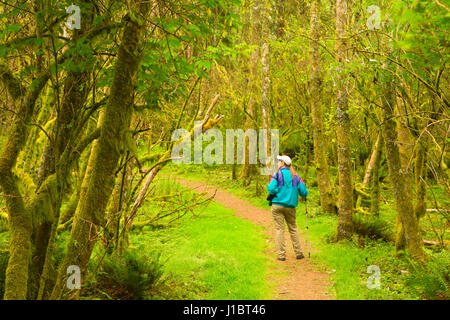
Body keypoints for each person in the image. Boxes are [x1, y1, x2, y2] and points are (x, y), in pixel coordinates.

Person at [267, 155, 308, 261]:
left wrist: (278, 192)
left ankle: (281, 256)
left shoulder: (277, 175)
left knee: (280, 230)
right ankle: (299, 253)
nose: (278, 162)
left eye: (279, 161)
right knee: (293, 229)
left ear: (283, 163)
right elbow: (304, 192)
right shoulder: (296, 176)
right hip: (290, 207)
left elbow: (271, 188)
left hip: (277, 206)